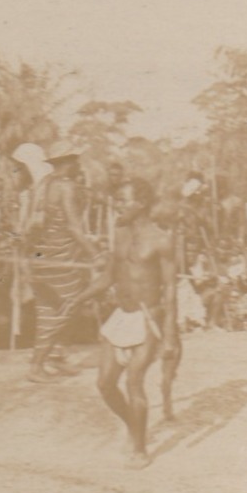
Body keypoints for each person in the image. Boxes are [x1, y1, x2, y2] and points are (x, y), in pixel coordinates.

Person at [66, 177, 181, 468]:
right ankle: (135, 425)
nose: (116, 205)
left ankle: (140, 450)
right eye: (116, 200)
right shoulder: (119, 233)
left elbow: (170, 290)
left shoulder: (162, 239)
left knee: (134, 382)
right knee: (105, 384)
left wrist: (168, 336)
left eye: (123, 200)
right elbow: (108, 278)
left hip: (149, 318)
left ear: (140, 204)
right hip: (122, 315)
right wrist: (78, 299)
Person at [24, 141, 98, 382]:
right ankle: (36, 366)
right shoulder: (65, 187)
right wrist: (96, 254)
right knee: (59, 310)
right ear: (66, 163)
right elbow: (74, 227)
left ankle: (56, 356)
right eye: (75, 160)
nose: (78, 164)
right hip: (60, 259)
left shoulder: (43, 184)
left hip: (43, 257)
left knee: (62, 307)